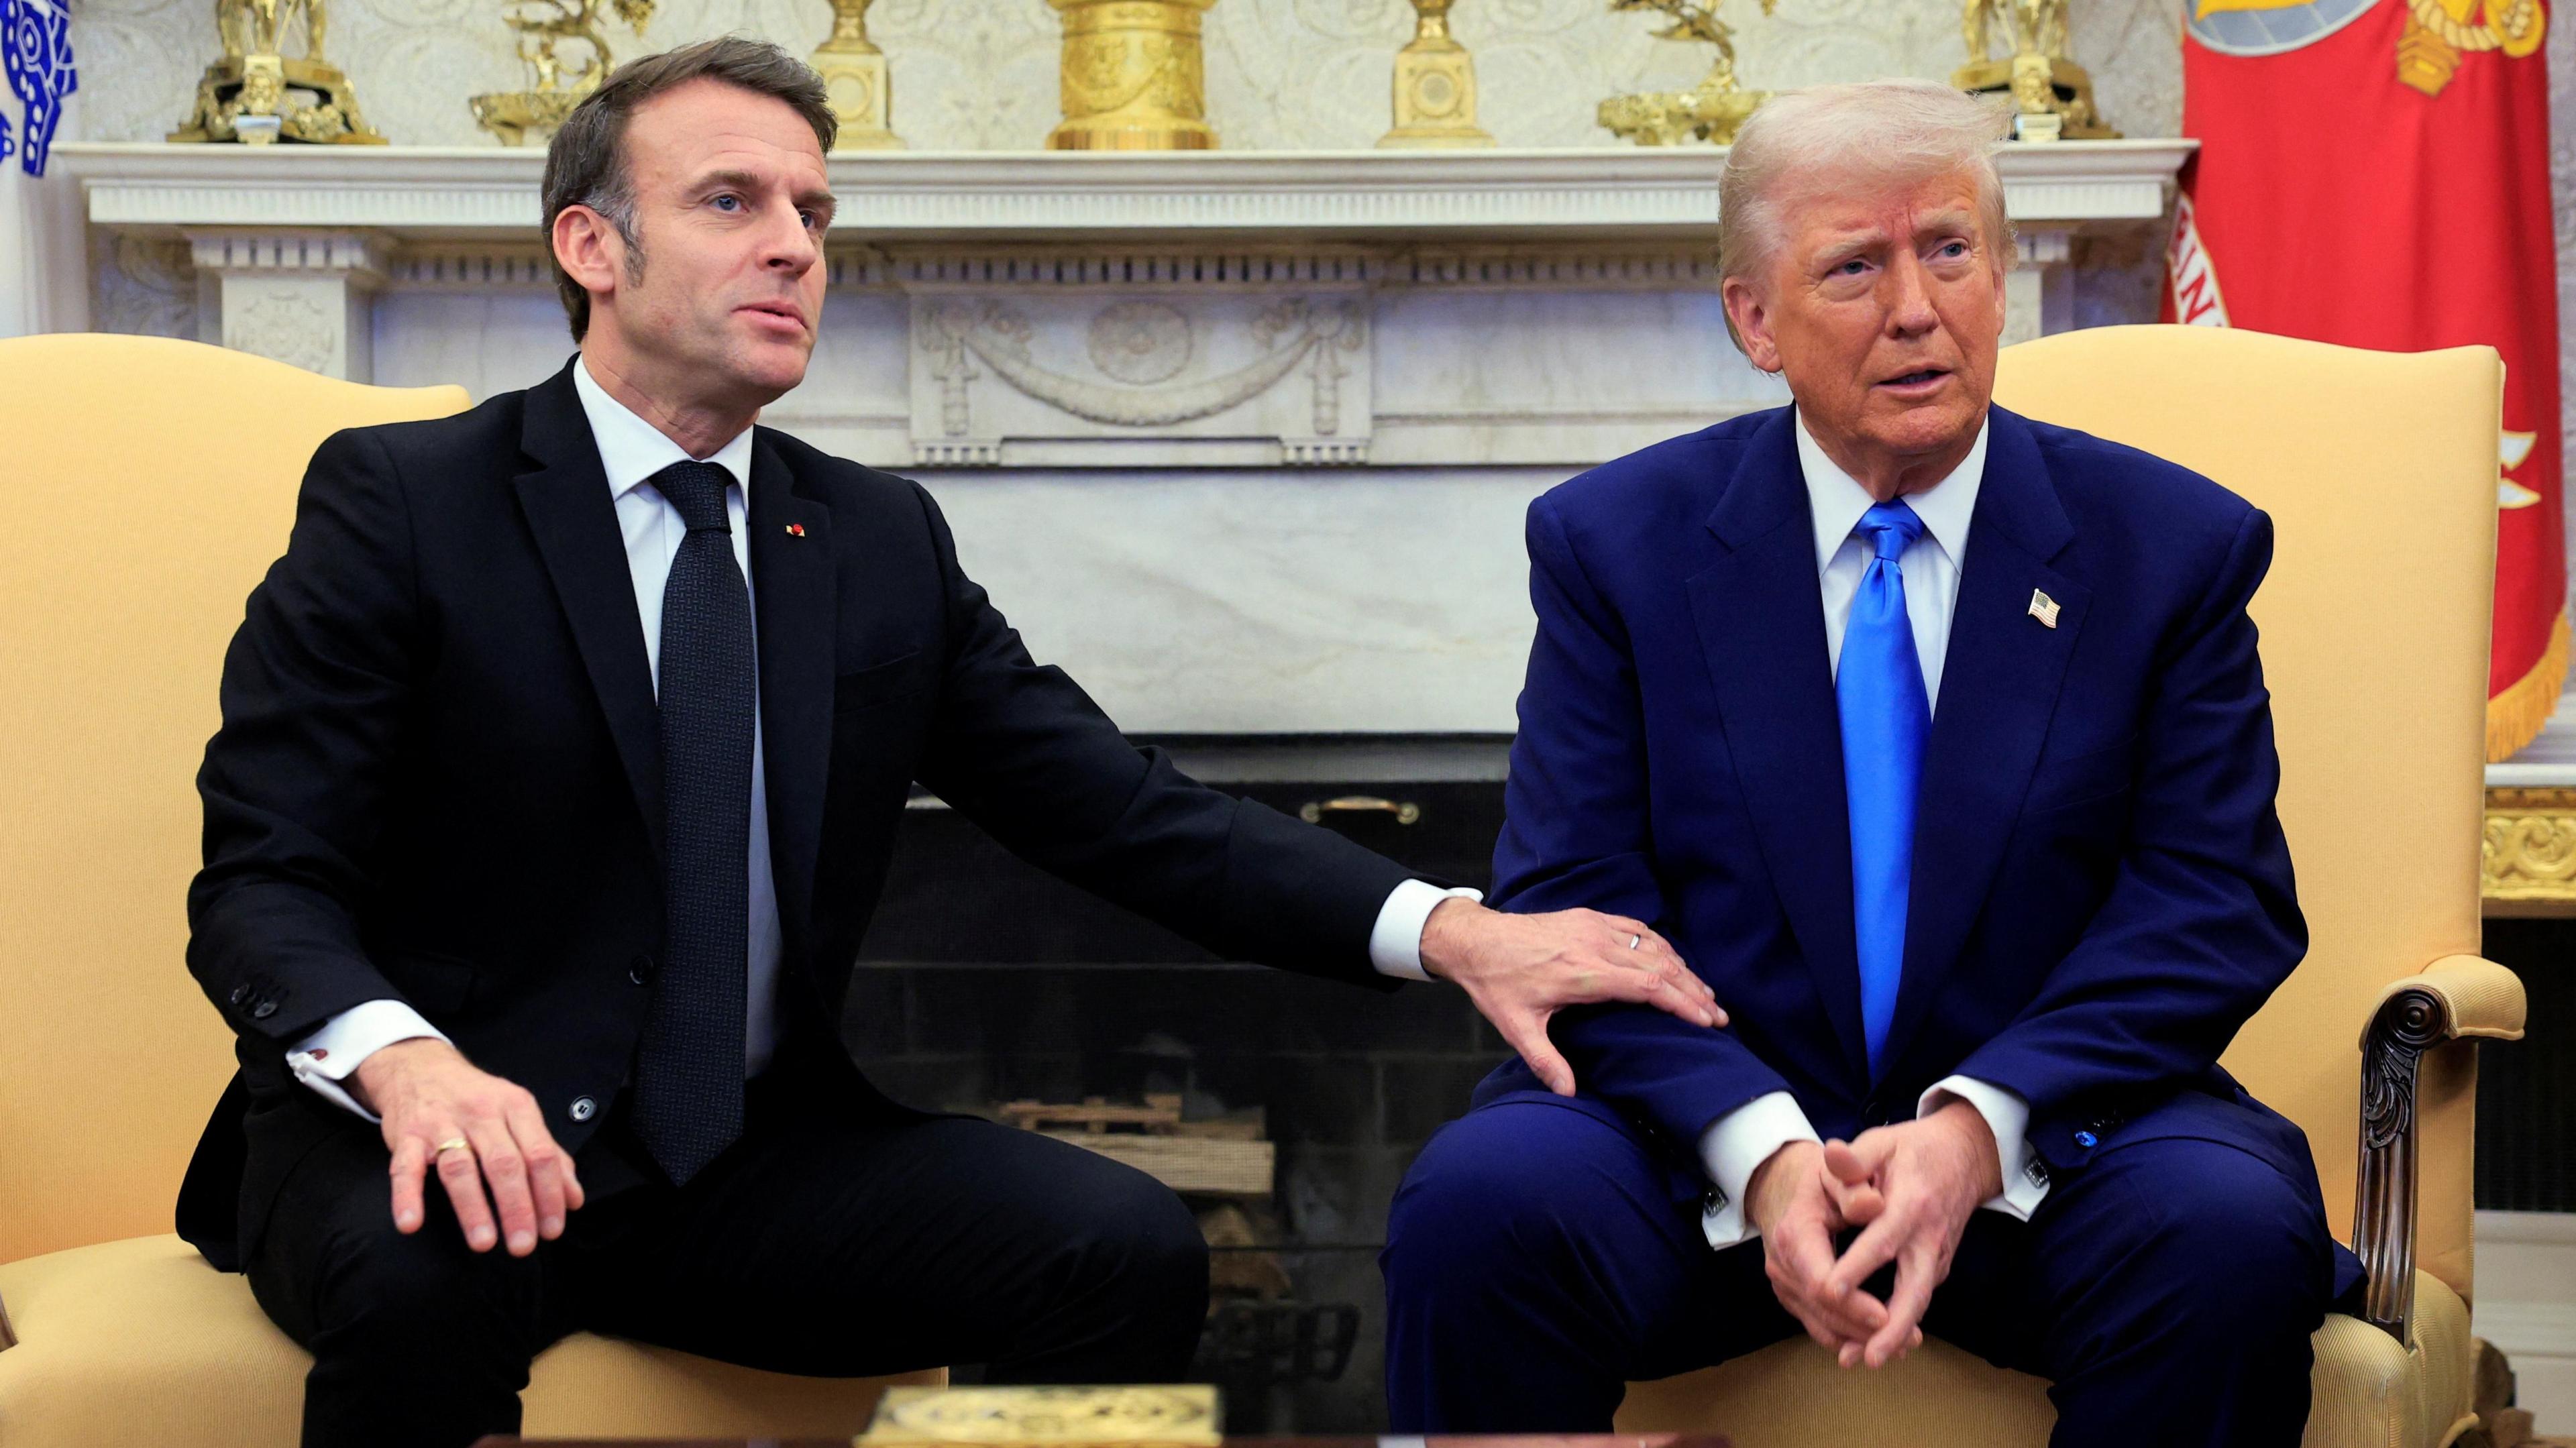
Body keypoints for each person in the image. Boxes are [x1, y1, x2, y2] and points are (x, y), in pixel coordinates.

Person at [176, 38, 1723, 1448]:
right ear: (593, 243)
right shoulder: (406, 505)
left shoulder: (869, 540)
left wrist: (1450, 931)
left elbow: (1118, 810)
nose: (795, 243)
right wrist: (411, 1068)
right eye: (732, 200)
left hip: (738, 1166)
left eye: (815, 212)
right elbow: (263, 882)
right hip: (435, 1140)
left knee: (1122, 1253)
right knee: (427, 1278)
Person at [1381, 78, 2363, 1447]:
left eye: (1950, 250)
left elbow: (2211, 901)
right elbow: (1576, 904)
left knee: (2228, 1230)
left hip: (2054, 1150)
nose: (1917, 308)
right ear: (1754, 320)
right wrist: (1768, 1153)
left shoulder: (2169, 549)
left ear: (2002, 273)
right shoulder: (1617, 548)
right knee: (1480, 1206)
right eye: (1855, 265)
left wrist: (1976, 1127)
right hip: (1703, 1159)